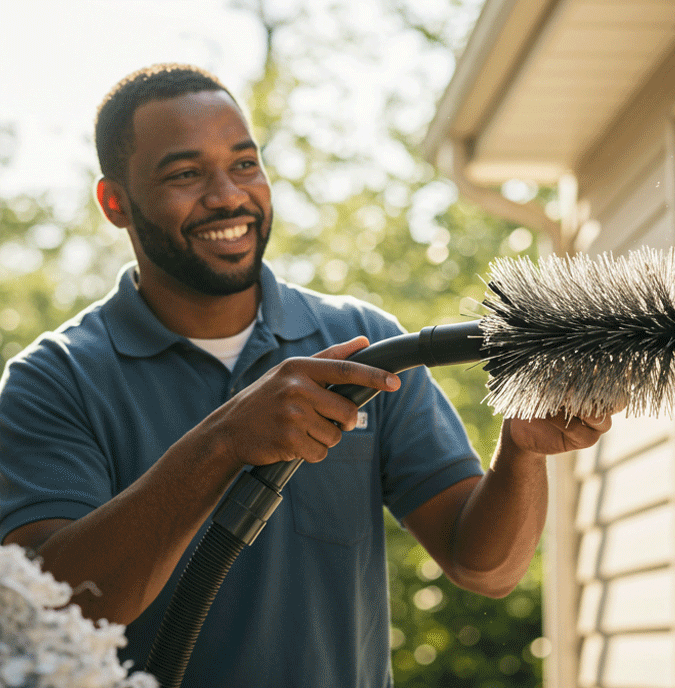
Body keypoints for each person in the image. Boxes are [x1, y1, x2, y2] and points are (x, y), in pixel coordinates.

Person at [0, 64, 612, 687]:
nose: (228, 196)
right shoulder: (55, 380)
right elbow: (47, 615)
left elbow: (484, 568)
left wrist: (522, 452)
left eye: (245, 164)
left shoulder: (366, 344)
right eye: (186, 174)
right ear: (115, 203)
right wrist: (225, 440)